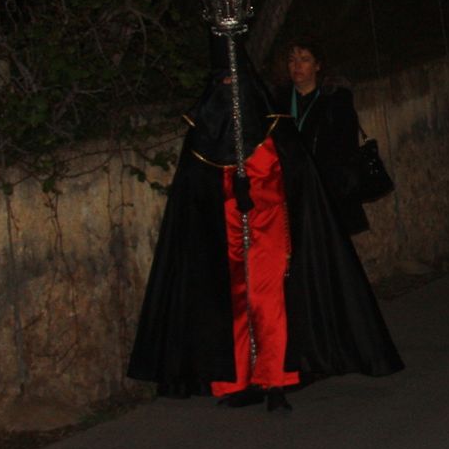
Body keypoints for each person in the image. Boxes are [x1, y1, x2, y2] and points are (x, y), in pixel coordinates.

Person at [127, 36, 403, 411]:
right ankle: (239, 380)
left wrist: (253, 184)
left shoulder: (273, 123)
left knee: (266, 301)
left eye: (235, 83)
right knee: (234, 305)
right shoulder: (204, 130)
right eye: (223, 83)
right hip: (224, 234)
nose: (229, 91)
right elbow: (193, 191)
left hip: (270, 226)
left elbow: (295, 176)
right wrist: (226, 187)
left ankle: (275, 379)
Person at [283, 36, 369, 237]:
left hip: (326, 188)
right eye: (292, 60)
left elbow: (347, 146)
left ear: (317, 65)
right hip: (293, 188)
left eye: (304, 59)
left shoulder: (335, 99)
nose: (297, 65)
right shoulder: (280, 100)